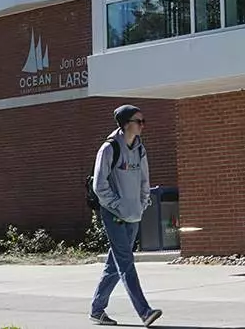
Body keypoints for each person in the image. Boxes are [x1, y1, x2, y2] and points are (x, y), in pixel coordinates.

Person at [88, 105, 162, 327]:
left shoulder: (140, 149)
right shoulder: (109, 149)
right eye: (139, 121)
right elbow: (99, 186)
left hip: (133, 215)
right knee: (126, 263)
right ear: (126, 123)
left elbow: (144, 181)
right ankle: (144, 311)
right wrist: (118, 206)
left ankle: (96, 309)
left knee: (115, 264)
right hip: (114, 215)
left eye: (143, 121)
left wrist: (141, 204)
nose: (143, 125)